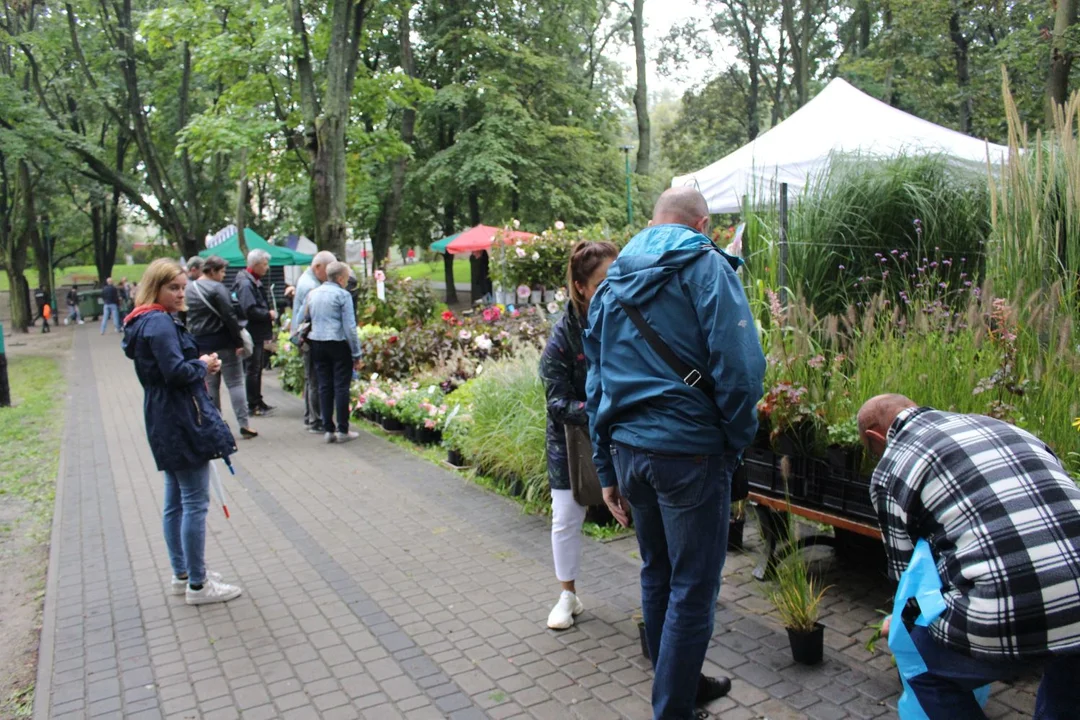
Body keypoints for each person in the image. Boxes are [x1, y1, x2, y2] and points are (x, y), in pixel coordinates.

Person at [584, 186, 766, 720]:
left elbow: (596, 381)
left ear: (654, 219)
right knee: (692, 587)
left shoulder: (613, 280)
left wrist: (606, 466)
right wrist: (733, 441)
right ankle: (673, 709)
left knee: (657, 572)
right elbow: (741, 371)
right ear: (703, 224)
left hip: (629, 450)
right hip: (688, 452)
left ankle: (681, 687)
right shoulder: (708, 267)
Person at [858, 394, 1080, 719]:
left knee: (920, 661)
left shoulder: (891, 468)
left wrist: (902, 621)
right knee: (1071, 656)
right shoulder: (1000, 426)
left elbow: (910, 579)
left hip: (1007, 613)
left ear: (875, 437)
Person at [121, 258, 243, 606]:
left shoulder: (142, 321)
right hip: (180, 416)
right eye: (172, 288)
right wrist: (203, 365)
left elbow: (167, 370)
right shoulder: (158, 323)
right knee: (193, 501)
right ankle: (198, 584)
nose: (180, 293)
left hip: (164, 415)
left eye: (181, 286)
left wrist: (198, 365)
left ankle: (184, 573)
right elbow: (175, 372)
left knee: (175, 499)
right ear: (155, 288)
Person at [539, 240, 618, 630]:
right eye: (605, 280)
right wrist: (603, 410)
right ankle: (567, 596)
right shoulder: (561, 338)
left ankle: (666, 593)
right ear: (581, 287)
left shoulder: (628, 318)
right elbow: (556, 403)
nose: (615, 285)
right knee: (567, 517)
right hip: (573, 442)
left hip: (626, 435)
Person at [185, 255, 257, 440]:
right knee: (235, 382)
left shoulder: (189, 289)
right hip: (223, 342)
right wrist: (239, 342)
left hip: (201, 343)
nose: (224, 275)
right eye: (223, 271)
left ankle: (215, 424)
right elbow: (229, 316)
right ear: (213, 271)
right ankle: (244, 424)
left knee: (210, 384)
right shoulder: (218, 289)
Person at [306, 261, 362, 444]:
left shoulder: (313, 294)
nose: (347, 282)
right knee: (341, 387)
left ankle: (328, 429)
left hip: (317, 343)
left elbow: (306, 318)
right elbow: (350, 327)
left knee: (324, 385)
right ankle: (343, 429)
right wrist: (356, 354)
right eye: (346, 278)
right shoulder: (343, 295)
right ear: (340, 278)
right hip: (337, 343)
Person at [291, 251, 337, 434]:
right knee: (316, 378)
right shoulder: (311, 286)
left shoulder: (307, 279)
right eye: (328, 270)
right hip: (310, 338)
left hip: (304, 336)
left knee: (311, 378)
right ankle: (316, 420)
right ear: (318, 267)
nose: (330, 275)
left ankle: (310, 417)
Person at [232, 249, 276, 417]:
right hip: (252, 332)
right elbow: (249, 309)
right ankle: (252, 404)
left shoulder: (253, 281)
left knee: (256, 368)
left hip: (256, 332)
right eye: (265, 264)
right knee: (252, 368)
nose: (267, 268)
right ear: (256, 265)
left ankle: (257, 400)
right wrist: (268, 314)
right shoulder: (246, 284)